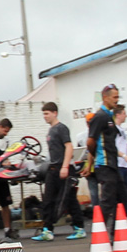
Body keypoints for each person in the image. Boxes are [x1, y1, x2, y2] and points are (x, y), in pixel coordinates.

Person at [32, 102, 86, 241]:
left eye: (47, 113)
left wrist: (65, 166)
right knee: (48, 200)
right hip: (53, 168)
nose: (45, 116)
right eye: (43, 114)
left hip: (64, 168)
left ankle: (79, 228)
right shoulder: (51, 130)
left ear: (55, 113)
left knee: (68, 199)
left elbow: (69, 147)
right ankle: (47, 230)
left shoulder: (61, 128)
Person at [84, 84, 127, 239]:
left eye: (117, 97)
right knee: (107, 201)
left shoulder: (109, 116)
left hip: (113, 164)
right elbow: (90, 142)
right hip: (105, 164)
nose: (117, 100)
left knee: (122, 199)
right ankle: (99, 236)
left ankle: (117, 235)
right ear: (105, 98)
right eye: (114, 97)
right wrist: (92, 163)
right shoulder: (100, 116)